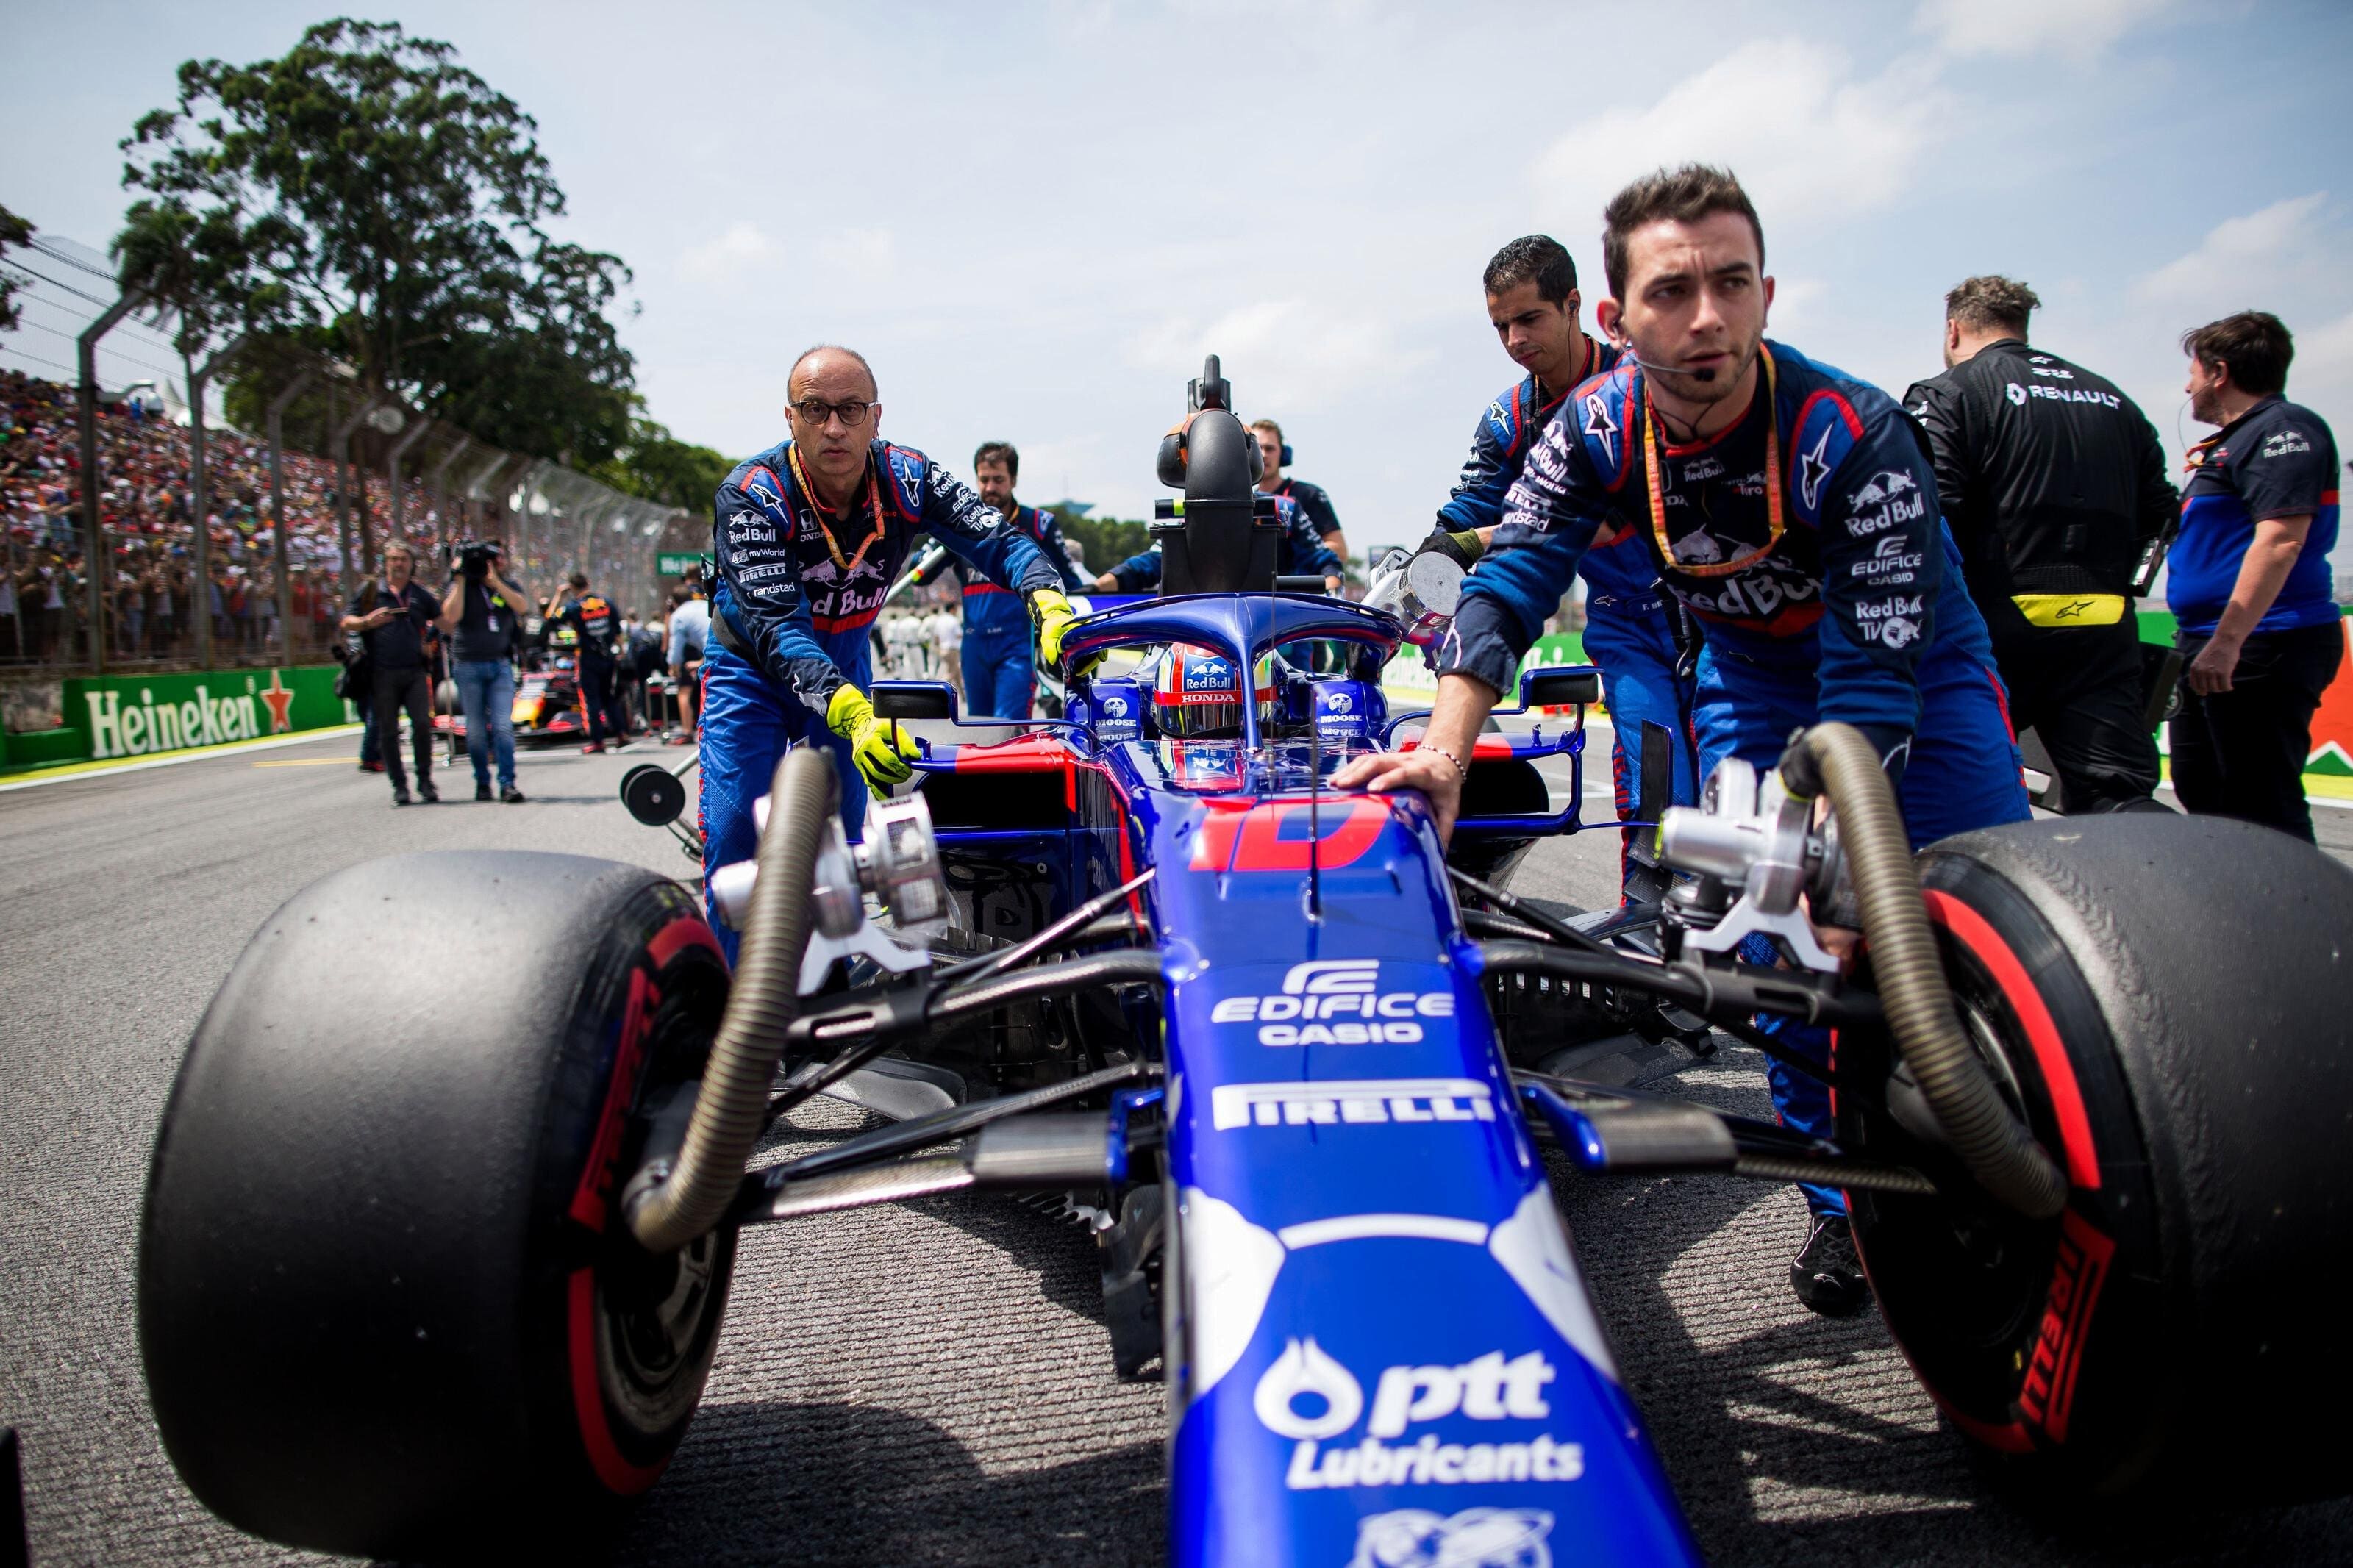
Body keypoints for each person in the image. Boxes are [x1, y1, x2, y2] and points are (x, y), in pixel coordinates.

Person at [1335, 165, 2029, 1317]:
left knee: (1993, 918)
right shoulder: (1581, 433)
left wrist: (1834, 849)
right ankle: (1843, 1207)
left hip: (1919, 675)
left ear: (1766, 297)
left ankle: (2022, 1130)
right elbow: (1508, 584)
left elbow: (1869, 680)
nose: (1705, 317)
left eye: (1731, 284)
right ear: (1619, 320)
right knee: (1774, 935)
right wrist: (1445, 749)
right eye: (1671, 292)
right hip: (1746, 673)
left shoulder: (1855, 432)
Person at [701, 344, 1076, 957]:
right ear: (789, 418)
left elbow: (998, 539)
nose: (834, 427)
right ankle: (731, 1000)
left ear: (877, 417)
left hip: (846, 656)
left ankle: (837, 981)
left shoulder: (909, 476)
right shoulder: (751, 495)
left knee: (849, 840)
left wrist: (1049, 598)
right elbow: (777, 629)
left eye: (851, 409)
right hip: (752, 669)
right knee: (734, 831)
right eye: (815, 409)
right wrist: (852, 714)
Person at [1428, 233, 1698, 897]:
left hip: (1710, 615)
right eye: (1500, 326)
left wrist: (1482, 539)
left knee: (1736, 788)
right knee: (1658, 787)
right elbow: (1457, 526)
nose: (1515, 339)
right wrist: (1429, 563)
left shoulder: (1645, 384)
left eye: (1529, 319)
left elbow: (1607, 519)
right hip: (1626, 627)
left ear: (1574, 305)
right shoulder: (1509, 419)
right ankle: (1652, 933)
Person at [1903, 276, 2177, 814]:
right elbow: (2165, 513)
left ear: (1953, 329)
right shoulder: (2115, 399)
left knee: (1951, 794)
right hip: (2101, 632)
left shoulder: (1952, 391)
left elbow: (1924, 515)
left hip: (1988, 632)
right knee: (2118, 799)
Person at [2168, 311, 2342, 842]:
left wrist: (2227, 642)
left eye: (2193, 372)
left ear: (2219, 372)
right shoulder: (2234, 441)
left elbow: (2281, 540)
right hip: (2211, 641)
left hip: (2262, 643)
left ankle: (2303, 923)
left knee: (2263, 804)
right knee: (2205, 791)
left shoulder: (2283, 430)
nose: (2186, 386)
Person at [939, 441, 1084, 718]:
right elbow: (921, 575)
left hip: (1017, 649)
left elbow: (1072, 583)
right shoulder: (960, 526)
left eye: (998, 480)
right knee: (979, 730)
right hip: (974, 648)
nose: (990, 488)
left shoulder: (1040, 524)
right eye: (984, 480)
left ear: (1013, 480)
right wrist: (943, 539)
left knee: (1008, 731)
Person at [340, 541, 446, 806]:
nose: (398, 564)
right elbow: (346, 621)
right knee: (388, 730)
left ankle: (425, 780)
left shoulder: (420, 594)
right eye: (393, 559)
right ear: (385, 563)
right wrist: (367, 622)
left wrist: (432, 637)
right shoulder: (371, 591)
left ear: (411, 564)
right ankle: (399, 785)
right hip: (381, 672)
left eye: (403, 559)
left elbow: (445, 622)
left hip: (415, 672)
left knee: (422, 725)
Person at [1093, 493, 1341, 593]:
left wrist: (1331, 589)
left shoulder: (1282, 508)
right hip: (1197, 633)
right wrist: (1102, 585)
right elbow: (1152, 562)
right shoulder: (1186, 511)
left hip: (1279, 637)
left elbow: (1325, 563)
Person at [438, 540, 526, 802]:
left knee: (502, 726)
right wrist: (461, 579)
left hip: (499, 664)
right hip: (468, 665)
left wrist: (495, 582)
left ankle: (507, 783)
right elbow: (450, 617)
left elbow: (522, 607)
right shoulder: (459, 586)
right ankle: (482, 782)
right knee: (475, 731)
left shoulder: (506, 586)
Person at [1251, 419, 1348, 565]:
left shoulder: (1309, 495)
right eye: (1258, 449)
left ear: (1284, 454)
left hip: (1297, 586)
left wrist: (1298, 547)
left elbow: (1340, 551)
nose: (1264, 455)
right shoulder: (1244, 502)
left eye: (1270, 449)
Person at [557, 571, 630, 753]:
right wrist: (620, 651)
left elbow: (552, 618)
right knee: (609, 696)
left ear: (572, 588)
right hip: (608, 657)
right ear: (588, 583)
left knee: (592, 700)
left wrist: (559, 595)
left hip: (589, 657)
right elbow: (617, 630)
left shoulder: (574, 606)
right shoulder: (606, 602)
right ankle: (621, 733)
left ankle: (598, 741)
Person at [666, 579, 710, 744]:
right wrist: (701, 661)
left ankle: (687, 731)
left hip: (713, 648)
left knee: (684, 692)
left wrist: (674, 668)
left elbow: (675, 648)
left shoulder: (678, 615)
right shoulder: (703, 604)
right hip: (724, 643)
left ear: (675, 602)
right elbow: (709, 633)